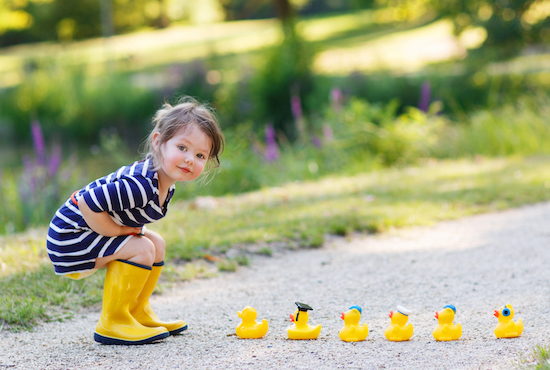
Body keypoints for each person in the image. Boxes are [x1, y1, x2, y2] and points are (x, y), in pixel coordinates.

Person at [46, 97, 224, 345]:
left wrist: (119, 232)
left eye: (200, 155)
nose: (189, 159)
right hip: (70, 237)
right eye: (182, 148)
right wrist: (116, 231)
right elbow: (87, 202)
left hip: (85, 233)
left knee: (156, 243)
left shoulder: (163, 185)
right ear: (158, 142)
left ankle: (136, 313)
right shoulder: (140, 185)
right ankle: (113, 321)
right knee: (142, 247)